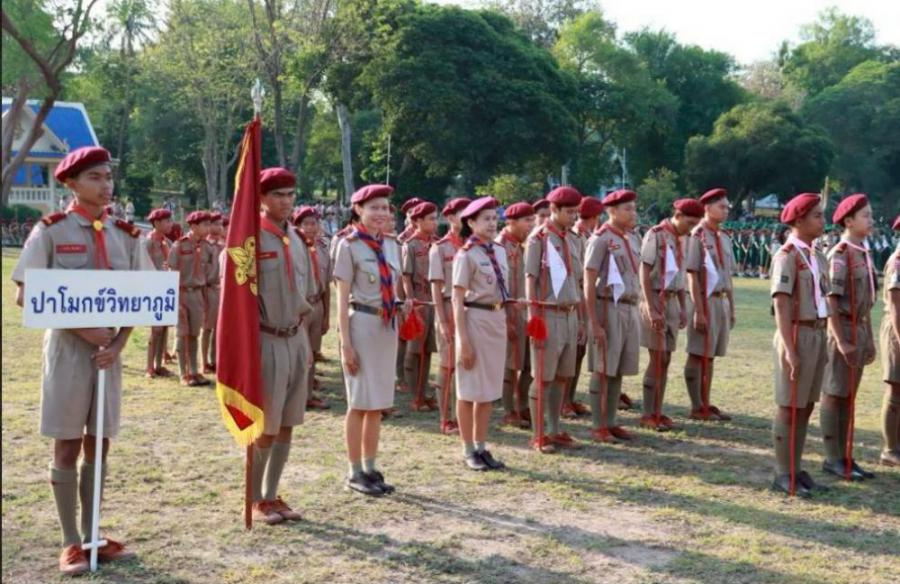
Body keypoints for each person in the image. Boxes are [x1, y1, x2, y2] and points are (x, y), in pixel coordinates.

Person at [11, 146, 150, 574]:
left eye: (108, 177)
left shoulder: (127, 235)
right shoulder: (51, 231)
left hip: (108, 355)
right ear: (71, 183)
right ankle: (71, 542)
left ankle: (93, 534)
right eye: (95, 177)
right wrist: (82, 329)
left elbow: (145, 297)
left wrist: (120, 343)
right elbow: (25, 294)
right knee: (67, 441)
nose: (106, 185)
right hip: (69, 351)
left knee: (100, 441)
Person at [249, 167, 315, 524]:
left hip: (296, 336)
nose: (286, 201)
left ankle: (272, 493)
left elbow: (308, 292)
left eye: (290, 194)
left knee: (288, 421)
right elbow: (237, 301)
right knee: (266, 423)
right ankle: (254, 497)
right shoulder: (249, 239)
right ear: (261, 197)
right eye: (277, 195)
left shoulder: (296, 238)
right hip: (266, 338)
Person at [334, 184, 409, 495]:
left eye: (385, 208)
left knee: (377, 403)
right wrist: (346, 345)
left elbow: (392, 285)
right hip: (361, 325)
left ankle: (370, 466)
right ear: (358, 210)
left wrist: (402, 303)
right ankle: (354, 471)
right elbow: (341, 301)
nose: (381, 213)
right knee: (359, 402)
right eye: (373, 207)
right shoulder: (348, 245)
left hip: (386, 326)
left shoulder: (391, 244)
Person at [769, 193, 829, 497]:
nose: (822, 221)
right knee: (789, 405)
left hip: (817, 332)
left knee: (805, 406)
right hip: (796, 332)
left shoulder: (817, 255)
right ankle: (783, 472)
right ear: (799, 220)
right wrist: (790, 349)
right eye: (817, 215)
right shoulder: (787, 255)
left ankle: (795, 466)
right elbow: (781, 303)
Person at [821, 194, 877, 480]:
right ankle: (832, 457)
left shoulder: (862, 252)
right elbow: (831, 300)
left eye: (871, 214)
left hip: (860, 326)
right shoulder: (841, 254)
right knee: (834, 393)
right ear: (849, 221)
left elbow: (867, 301)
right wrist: (841, 341)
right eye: (865, 215)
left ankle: (845, 456)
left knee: (849, 395)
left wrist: (870, 339)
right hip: (841, 328)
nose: (871, 220)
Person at [525, 187, 584, 453]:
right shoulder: (538, 238)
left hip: (569, 313)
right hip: (547, 313)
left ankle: (554, 428)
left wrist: (581, 319)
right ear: (554, 210)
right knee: (543, 377)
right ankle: (538, 435)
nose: (573, 217)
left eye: (575, 212)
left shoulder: (574, 238)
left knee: (562, 376)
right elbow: (530, 279)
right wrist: (533, 318)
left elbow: (578, 281)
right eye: (569, 212)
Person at [453, 196, 509, 470]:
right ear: (471, 223)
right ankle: (468, 449)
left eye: (494, 218)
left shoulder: (498, 251)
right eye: (485, 219)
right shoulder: (466, 254)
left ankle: (481, 445)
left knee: (488, 390)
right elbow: (457, 299)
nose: (491, 223)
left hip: (496, 320)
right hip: (474, 319)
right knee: (468, 389)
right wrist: (463, 340)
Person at [638, 199, 703, 431]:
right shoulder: (655, 235)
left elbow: (681, 275)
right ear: (678, 215)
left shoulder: (684, 239)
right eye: (689, 222)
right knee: (657, 357)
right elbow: (644, 271)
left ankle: (658, 410)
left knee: (666, 359)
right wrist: (650, 306)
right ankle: (648, 413)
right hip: (656, 297)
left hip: (674, 300)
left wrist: (684, 307)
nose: (691, 228)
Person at [584, 189, 642, 442]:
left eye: (634, 208)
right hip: (608, 306)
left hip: (629, 306)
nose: (633, 213)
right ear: (612, 211)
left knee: (618, 367)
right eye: (627, 209)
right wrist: (593, 322)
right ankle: (598, 425)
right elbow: (589, 280)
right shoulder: (601, 239)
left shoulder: (631, 238)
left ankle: (611, 421)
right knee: (603, 367)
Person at [684, 188, 735, 421]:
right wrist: (699, 310)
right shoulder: (697, 236)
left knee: (711, 355)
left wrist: (731, 307)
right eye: (721, 206)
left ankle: (706, 401)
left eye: (727, 207)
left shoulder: (723, 237)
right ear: (707, 208)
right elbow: (692, 274)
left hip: (721, 300)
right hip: (704, 300)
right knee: (698, 353)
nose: (725, 211)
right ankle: (696, 405)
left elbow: (727, 275)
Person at [429, 197, 470, 434]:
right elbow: (436, 287)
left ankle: (461, 415)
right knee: (447, 365)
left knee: (465, 364)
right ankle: (446, 418)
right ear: (450, 217)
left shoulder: (473, 245)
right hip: (447, 307)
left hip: (471, 309)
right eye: (462, 213)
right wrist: (442, 321)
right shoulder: (440, 248)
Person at [562, 196, 604, 419]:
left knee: (579, 351)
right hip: (575, 296)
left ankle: (570, 397)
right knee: (572, 351)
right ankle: (563, 401)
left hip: (584, 298)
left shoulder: (583, 235)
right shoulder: (574, 236)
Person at [497, 202, 536, 428]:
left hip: (528, 313)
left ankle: (523, 406)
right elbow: (498, 286)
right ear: (511, 222)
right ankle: (508, 409)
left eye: (532, 220)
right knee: (511, 365)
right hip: (509, 313)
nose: (531, 224)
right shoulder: (499, 246)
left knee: (530, 363)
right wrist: (506, 318)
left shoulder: (528, 244)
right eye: (526, 220)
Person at [168, 211, 214, 386]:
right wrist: (175, 298)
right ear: (193, 226)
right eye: (204, 225)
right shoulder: (179, 245)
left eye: (209, 224)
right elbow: (171, 270)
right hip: (182, 292)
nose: (208, 228)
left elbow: (210, 272)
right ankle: (184, 373)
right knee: (182, 334)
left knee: (194, 333)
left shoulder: (207, 247)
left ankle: (194, 371)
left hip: (198, 293)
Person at [293, 205, 331, 411]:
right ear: (298, 226)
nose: (310, 227)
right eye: (306, 224)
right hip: (301, 305)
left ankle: (308, 395)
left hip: (317, 304)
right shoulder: (293, 249)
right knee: (301, 353)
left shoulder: (323, 249)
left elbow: (327, 286)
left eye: (314, 223)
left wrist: (326, 315)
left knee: (313, 353)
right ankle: (297, 395)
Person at [402, 201, 440, 411]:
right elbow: (406, 276)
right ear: (418, 221)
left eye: (436, 218)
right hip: (419, 299)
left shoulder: (436, 243)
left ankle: (423, 392)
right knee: (415, 350)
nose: (435, 222)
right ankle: (415, 396)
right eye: (431, 219)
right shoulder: (411, 244)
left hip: (433, 300)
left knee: (428, 350)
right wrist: (411, 300)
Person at [144, 208, 175, 378]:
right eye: (167, 221)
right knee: (155, 329)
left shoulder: (167, 243)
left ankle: (159, 364)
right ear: (156, 223)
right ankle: (149, 366)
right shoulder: (148, 242)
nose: (171, 224)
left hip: (166, 289)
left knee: (164, 328)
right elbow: (142, 265)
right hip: (153, 289)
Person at [879, 215, 900, 467]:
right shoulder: (897, 262)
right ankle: (890, 449)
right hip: (897, 328)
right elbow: (895, 305)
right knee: (895, 388)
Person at [201, 212, 225, 374]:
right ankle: (203, 362)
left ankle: (215, 360)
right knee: (207, 328)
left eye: (221, 224)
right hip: (207, 289)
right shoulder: (204, 245)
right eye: (215, 224)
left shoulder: (224, 246)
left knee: (218, 328)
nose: (219, 227)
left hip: (220, 289)